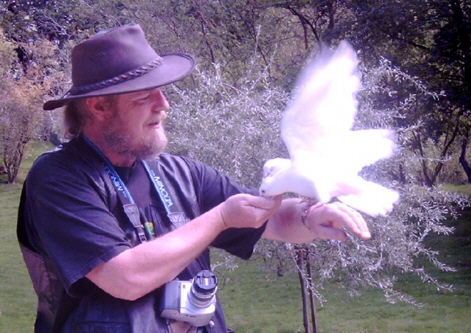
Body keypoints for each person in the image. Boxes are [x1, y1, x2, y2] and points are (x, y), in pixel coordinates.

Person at [17, 23, 371, 333]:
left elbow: (268, 216)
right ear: (99, 106)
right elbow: (124, 277)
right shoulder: (58, 178)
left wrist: (311, 215)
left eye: (163, 90)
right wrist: (218, 218)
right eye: (146, 95)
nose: (164, 104)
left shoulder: (178, 172)